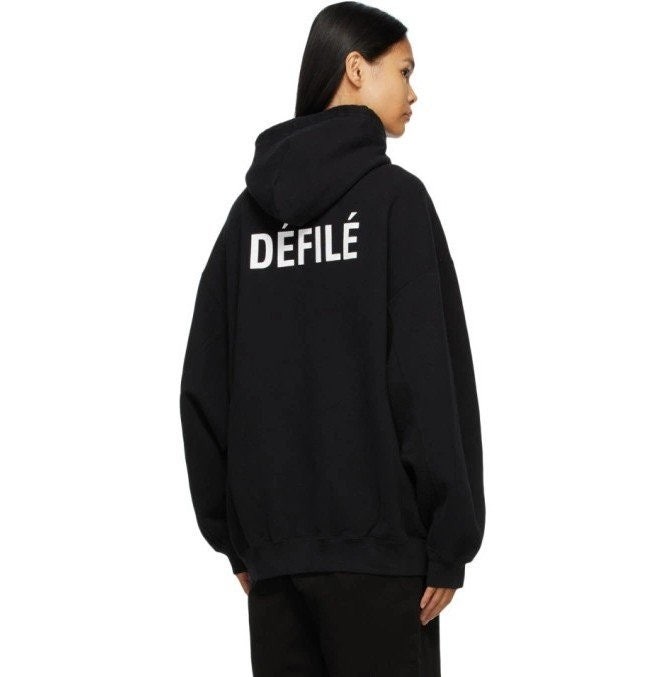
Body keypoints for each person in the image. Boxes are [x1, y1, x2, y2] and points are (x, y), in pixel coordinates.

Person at [179, 2, 486, 675]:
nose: (413, 92)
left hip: (276, 567)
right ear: (355, 69)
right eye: (403, 71)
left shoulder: (246, 223)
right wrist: (449, 540)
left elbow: (204, 385)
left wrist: (237, 537)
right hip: (383, 563)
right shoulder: (395, 204)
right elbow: (427, 379)